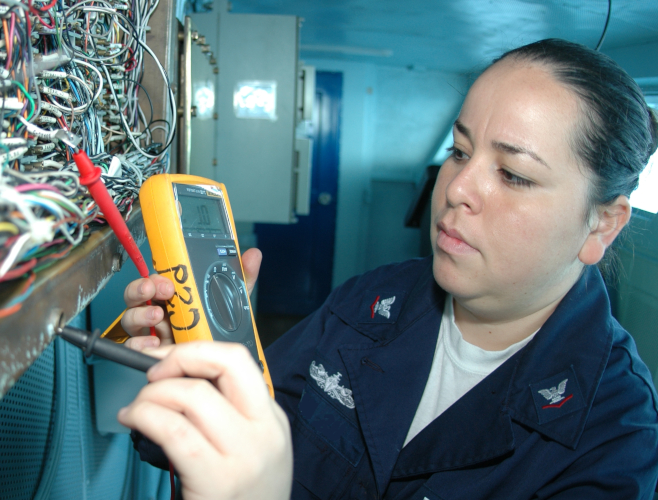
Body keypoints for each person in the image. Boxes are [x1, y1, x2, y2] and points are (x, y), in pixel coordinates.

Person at [116, 38, 658, 499]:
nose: (457, 190)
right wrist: (194, 369)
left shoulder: (613, 434)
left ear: (601, 226)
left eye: (513, 175)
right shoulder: (369, 302)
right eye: (460, 151)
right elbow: (220, 435)